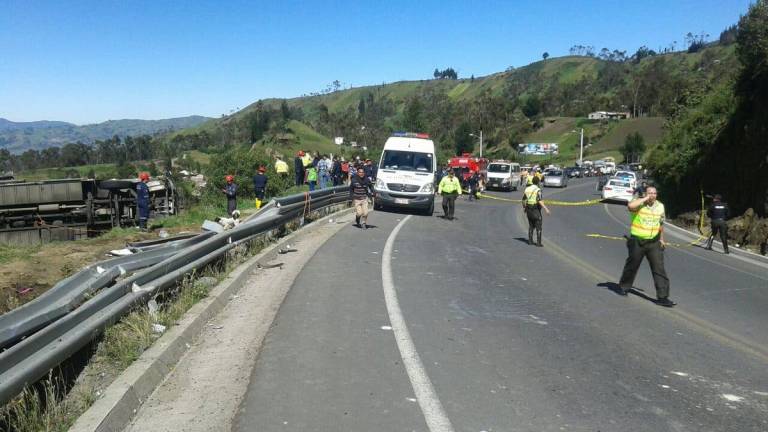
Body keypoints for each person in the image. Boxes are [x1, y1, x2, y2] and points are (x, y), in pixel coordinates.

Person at [618, 186, 676, 307]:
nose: (652, 195)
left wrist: (662, 239)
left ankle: (663, 297)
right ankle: (624, 286)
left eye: (654, 193)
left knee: (659, 268)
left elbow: (660, 224)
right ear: (645, 194)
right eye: (650, 193)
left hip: (654, 242)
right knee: (632, 265)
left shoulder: (660, 206)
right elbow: (630, 206)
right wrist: (644, 199)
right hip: (637, 241)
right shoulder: (639, 204)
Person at [522, 176, 550, 247]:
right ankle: (538, 243)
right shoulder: (538, 190)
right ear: (538, 182)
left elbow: (523, 200)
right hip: (535, 209)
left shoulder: (527, 189)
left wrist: (524, 207)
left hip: (528, 209)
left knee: (531, 225)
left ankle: (530, 241)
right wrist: (546, 208)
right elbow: (539, 200)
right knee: (538, 226)